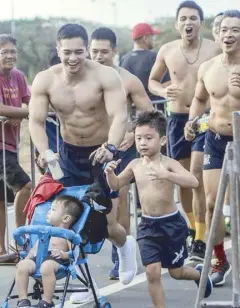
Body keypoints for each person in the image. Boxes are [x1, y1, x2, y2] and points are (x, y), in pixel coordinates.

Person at [28, 24, 137, 302]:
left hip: (101, 153)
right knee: (70, 223)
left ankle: (125, 246)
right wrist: (45, 151)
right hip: (68, 155)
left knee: (105, 225)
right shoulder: (45, 80)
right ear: (57, 50)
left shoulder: (105, 76)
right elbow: (36, 122)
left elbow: (119, 116)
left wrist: (111, 146)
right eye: (67, 52)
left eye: (79, 51)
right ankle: (83, 285)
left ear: (86, 49)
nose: (73, 58)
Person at [184, 10, 240, 286]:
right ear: (218, 34)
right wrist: (192, 121)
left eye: (235, 30)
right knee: (212, 202)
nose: (228, 34)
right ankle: (219, 260)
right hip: (215, 138)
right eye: (224, 29)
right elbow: (199, 100)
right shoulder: (208, 67)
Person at [105, 110, 213, 308]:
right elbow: (116, 184)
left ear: (163, 140)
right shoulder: (135, 164)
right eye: (138, 138)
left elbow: (193, 181)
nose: (143, 143)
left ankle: (199, 274)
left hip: (171, 224)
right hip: (147, 226)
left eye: (148, 138)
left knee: (176, 272)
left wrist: (167, 175)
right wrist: (110, 173)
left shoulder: (168, 164)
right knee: (152, 272)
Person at [149, 0, 221, 261]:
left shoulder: (214, 49)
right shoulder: (167, 50)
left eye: (193, 18)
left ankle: (202, 238)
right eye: (183, 18)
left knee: (197, 173)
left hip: (206, 118)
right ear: (176, 23)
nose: (188, 23)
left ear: (201, 23)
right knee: (182, 175)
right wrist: (162, 90)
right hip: (177, 118)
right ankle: (192, 227)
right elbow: (153, 80)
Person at [89, 26, 153, 280]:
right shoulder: (83, 77)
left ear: (115, 51)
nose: (99, 56)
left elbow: (149, 112)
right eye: (94, 51)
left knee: (121, 200)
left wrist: (131, 134)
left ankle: (121, 255)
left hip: (120, 149)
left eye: (104, 51)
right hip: (92, 148)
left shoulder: (127, 79)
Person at [15, 195, 83, 308]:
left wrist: (64, 254)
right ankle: (23, 300)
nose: (48, 212)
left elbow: (77, 253)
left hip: (56, 261)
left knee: (46, 267)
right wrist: (27, 259)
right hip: (37, 259)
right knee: (23, 266)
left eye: (53, 209)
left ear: (66, 218)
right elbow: (34, 249)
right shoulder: (45, 230)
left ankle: (46, 301)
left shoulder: (68, 234)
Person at [0, 34, 32, 263]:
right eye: (4, 52)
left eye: (13, 51)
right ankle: (20, 240)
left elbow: (32, 101)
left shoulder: (18, 76)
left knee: (1, 200)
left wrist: (19, 113)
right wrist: (24, 113)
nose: (9, 56)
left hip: (10, 143)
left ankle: (2, 253)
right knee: (26, 186)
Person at [120, 22, 169, 109]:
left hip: (131, 113)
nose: (154, 40)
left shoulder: (124, 59)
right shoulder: (154, 57)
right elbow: (168, 82)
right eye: (152, 37)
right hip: (153, 110)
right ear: (145, 38)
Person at [34, 48, 63, 175]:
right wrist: (44, 153)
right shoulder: (43, 83)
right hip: (52, 157)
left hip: (77, 154)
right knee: (57, 185)